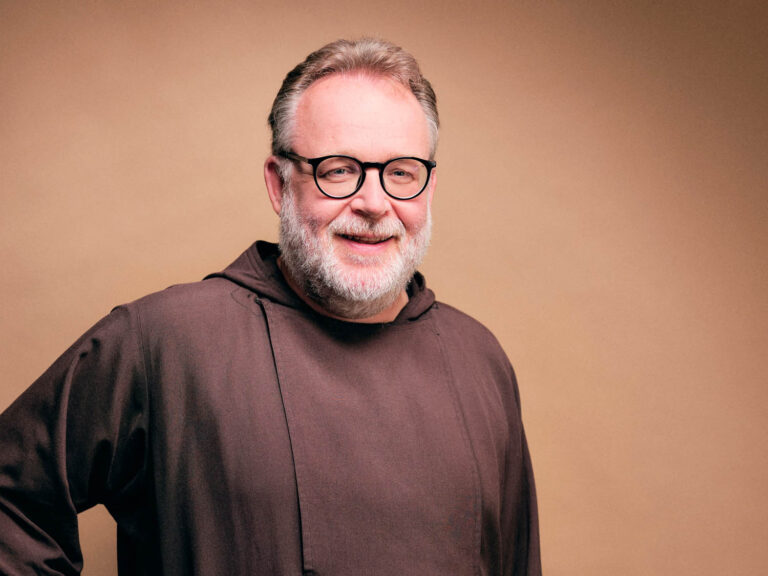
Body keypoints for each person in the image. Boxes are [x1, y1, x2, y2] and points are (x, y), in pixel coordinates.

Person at [0, 38, 541, 575]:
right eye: (338, 169)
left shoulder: (480, 361)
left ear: (429, 187)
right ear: (280, 185)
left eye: (401, 172)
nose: (375, 204)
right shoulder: (164, 340)